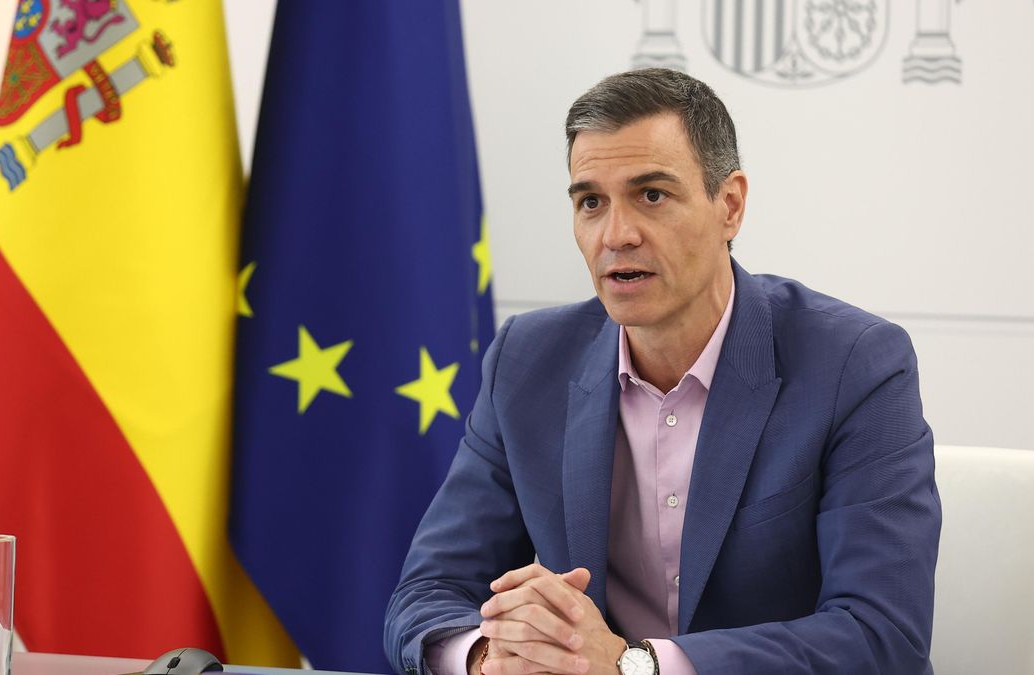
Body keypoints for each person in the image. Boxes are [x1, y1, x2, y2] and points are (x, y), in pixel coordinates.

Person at [383, 68, 941, 675]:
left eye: (652, 195)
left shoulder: (854, 364)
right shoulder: (526, 360)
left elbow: (882, 636)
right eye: (591, 202)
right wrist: (491, 657)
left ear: (729, 206)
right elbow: (427, 592)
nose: (616, 235)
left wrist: (633, 666)